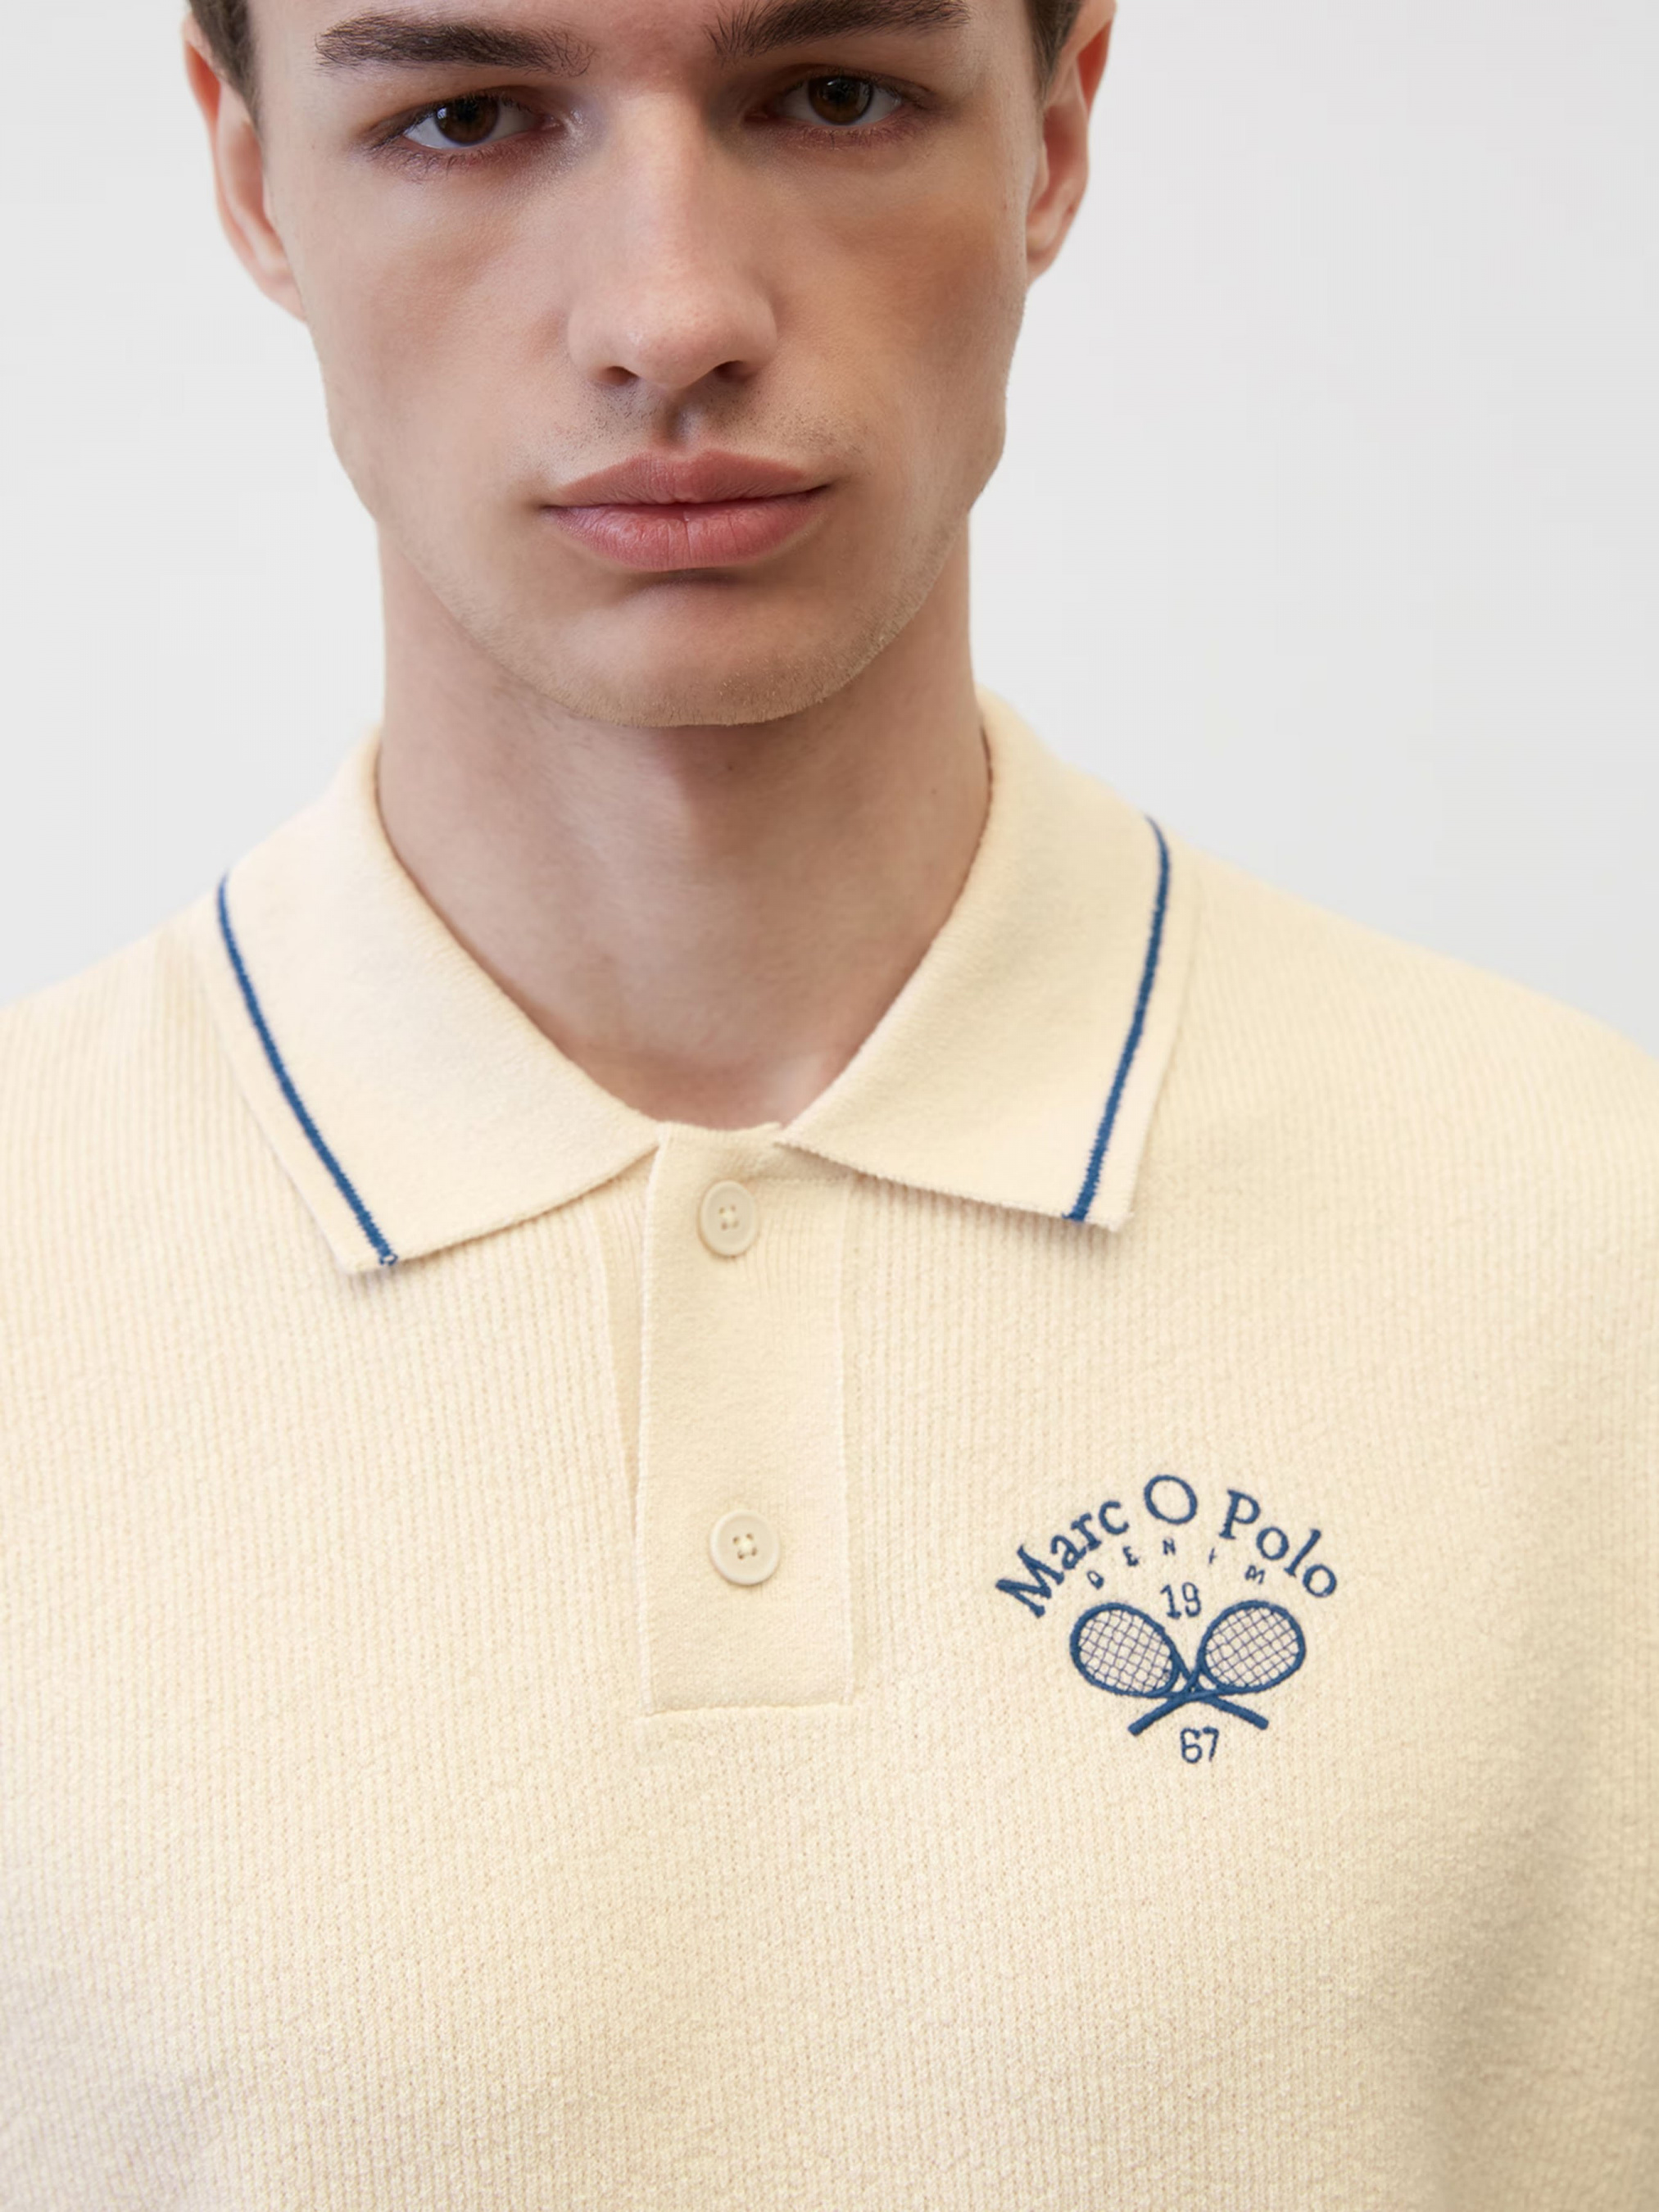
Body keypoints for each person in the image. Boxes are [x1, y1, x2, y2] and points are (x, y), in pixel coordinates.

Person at [2, 0, 1652, 2202]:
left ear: (1053, 129)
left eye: (831, 96)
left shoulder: (1596, 1242)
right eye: (469, 118)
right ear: (248, 172)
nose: (672, 311)